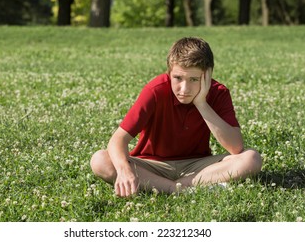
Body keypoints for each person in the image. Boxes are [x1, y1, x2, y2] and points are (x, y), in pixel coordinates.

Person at [90, 37, 262, 197]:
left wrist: (201, 102)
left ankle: (172, 187)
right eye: (178, 78)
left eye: (194, 79)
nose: (184, 89)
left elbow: (236, 147)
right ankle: (182, 189)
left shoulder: (219, 93)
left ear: (207, 74)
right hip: (152, 166)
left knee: (251, 158)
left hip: (198, 165)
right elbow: (118, 140)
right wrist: (123, 170)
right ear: (169, 72)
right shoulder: (155, 90)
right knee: (100, 160)